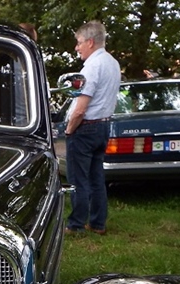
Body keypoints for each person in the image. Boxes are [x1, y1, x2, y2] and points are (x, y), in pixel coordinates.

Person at [64, 20, 121, 235]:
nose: (76, 47)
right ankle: (98, 223)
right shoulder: (113, 63)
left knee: (78, 179)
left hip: (85, 127)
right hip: (103, 126)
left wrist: (70, 129)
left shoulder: (92, 67)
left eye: (79, 43)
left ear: (90, 42)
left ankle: (76, 224)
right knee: (96, 178)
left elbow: (80, 108)